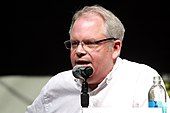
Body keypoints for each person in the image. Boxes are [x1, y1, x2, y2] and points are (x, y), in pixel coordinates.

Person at [25, 5, 169, 113]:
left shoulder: (142, 80)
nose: (79, 51)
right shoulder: (56, 87)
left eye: (90, 43)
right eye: (74, 44)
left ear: (115, 48)